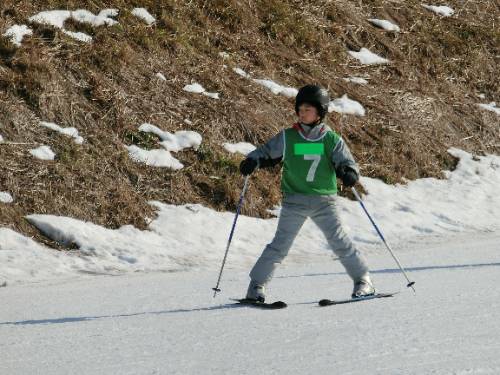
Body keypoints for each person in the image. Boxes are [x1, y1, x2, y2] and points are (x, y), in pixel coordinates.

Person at [239, 84, 375, 302]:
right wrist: (252, 160)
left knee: (339, 242)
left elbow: (348, 163)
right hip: (295, 200)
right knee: (279, 245)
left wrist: (349, 173)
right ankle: (256, 286)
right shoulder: (288, 137)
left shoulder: (331, 140)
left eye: (307, 110)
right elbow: (265, 152)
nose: (302, 113)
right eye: (300, 109)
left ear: (320, 112)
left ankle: (363, 280)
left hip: (324, 201)